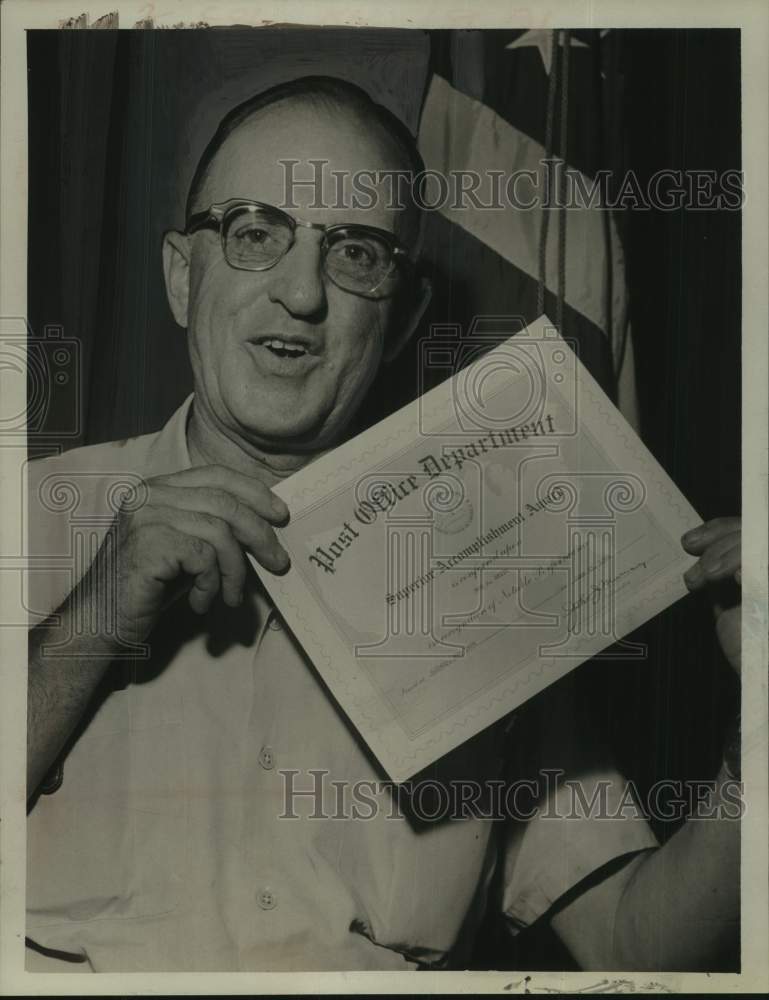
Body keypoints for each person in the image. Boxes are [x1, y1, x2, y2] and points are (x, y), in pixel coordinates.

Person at [25, 76, 742, 973]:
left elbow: (641, 945)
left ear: (401, 322)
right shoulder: (31, 517)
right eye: (255, 232)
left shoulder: (500, 585)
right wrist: (90, 622)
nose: (301, 293)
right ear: (181, 275)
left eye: (355, 253)